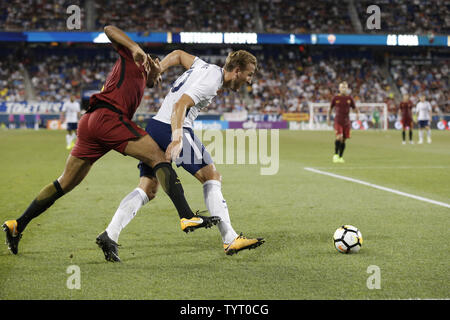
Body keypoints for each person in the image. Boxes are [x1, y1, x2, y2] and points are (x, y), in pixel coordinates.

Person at [2, 26, 219, 258]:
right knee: (159, 156)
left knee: (65, 182)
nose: (157, 75)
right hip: (109, 118)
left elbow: (153, 77)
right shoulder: (135, 57)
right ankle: (186, 216)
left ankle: (18, 224)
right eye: (156, 67)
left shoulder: (143, 78)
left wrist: (153, 71)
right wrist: (136, 48)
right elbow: (109, 29)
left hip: (91, 122)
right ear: (151, 60)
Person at [99, 49, 264, 261]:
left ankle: (109, 234)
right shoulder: (212, 81)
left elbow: (177, 54)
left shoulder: (203, 65)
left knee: (148, 188)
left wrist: (160, 67)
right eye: (249, 75)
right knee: (211, 176)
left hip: (156, 125)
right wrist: (177, 138)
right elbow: (180, 105)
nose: (249, 81)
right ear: (237, 71)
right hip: (172, 127)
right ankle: (230, 238)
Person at [327, 81, 359, 163]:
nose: (343, 89)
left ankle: (340, 157)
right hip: (338, 120)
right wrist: (328, 118)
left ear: (347, 89)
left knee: (344, 140)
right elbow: (330, 109)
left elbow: (354, 108)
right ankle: (335, 155)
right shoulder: (335, 98)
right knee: (339, 137)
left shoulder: (349, 98)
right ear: (339, 88)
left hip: (346, 122)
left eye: (345, 87)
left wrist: (357, 114)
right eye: (342, 87)